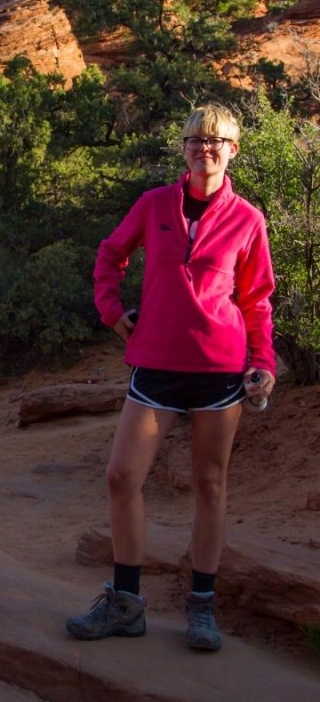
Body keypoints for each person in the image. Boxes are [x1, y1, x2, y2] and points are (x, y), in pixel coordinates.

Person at [66, 104, 275, 651]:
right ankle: (126, 604)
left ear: (233, 149)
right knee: (121, 476)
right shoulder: (154, 204)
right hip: (155, 363)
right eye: (195, 139)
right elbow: (110, 255)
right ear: (183, 147)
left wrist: (264, 363)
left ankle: (201, 609)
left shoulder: (248, 219)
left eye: (216, 140)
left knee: (209, 484)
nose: (205, 147)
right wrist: (112, 312)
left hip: (219, 370)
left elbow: (256, 300)